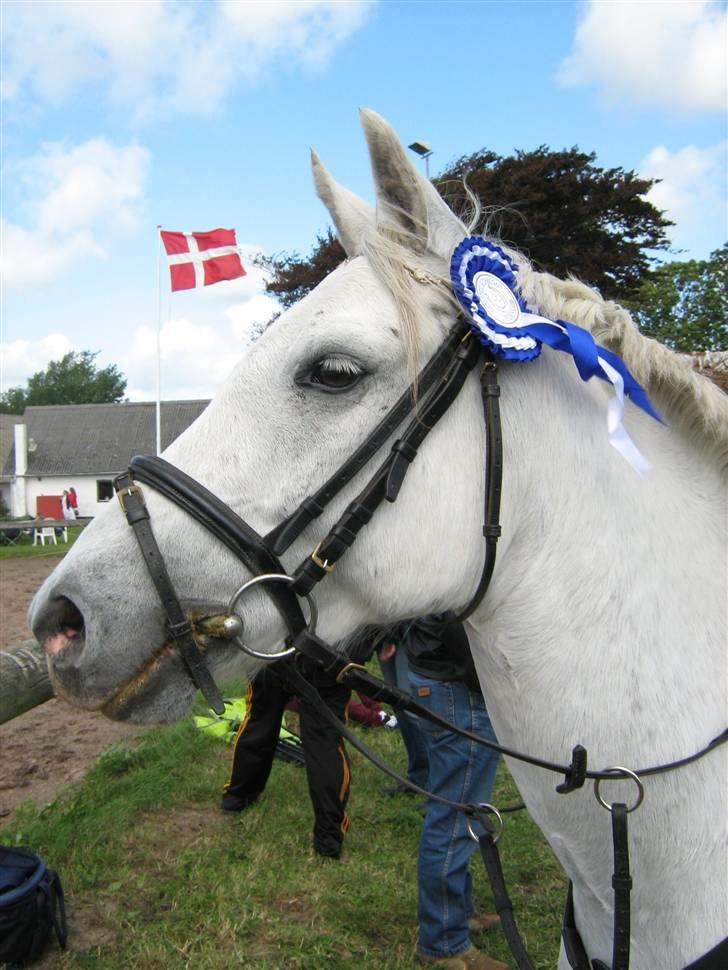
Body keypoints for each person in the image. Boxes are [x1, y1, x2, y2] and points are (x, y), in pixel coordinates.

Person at [402, 613, 505, 970]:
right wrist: (486, 680)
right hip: (455, 687)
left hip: (437, 678)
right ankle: (444, 942)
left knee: (460, 808)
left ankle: (458, 913)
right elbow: (454, 620)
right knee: (454, 817)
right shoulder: (454, 563)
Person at [222, 656, 352, 859]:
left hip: (282, 652)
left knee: (261, 719)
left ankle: (237, 797)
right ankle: (328, 837)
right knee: (323, 740)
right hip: (312, 655)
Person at [378, 637, 429, 791]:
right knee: (398, 704)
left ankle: (432, 780)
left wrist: (393, 637)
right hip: (383, 632)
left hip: (409, 633)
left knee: (410, 707)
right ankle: (418, 777)